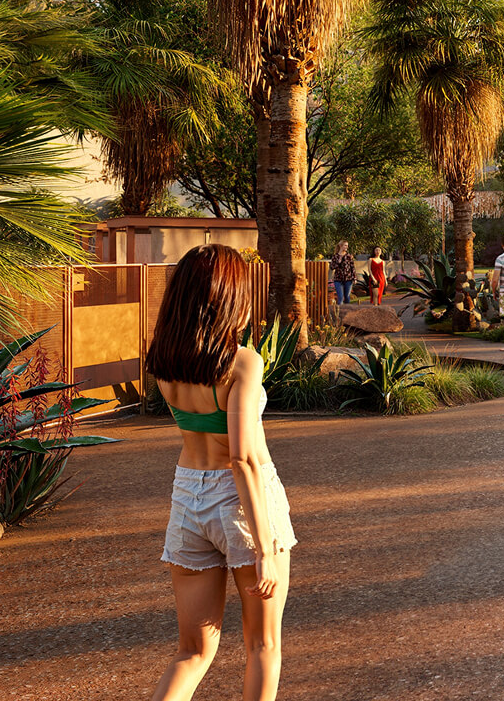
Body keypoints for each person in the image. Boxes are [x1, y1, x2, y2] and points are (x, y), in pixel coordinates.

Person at [145, 243, 295, 701]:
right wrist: (265, 545)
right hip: (242, 502)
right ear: (229, 295)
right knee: (263, 645)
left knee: (191, 652)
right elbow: (243, 457)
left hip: (188, 495)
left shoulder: (164, 360)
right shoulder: (242, 361)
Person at [329, 241, 355, 308]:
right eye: (345, 245)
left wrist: (354, 278)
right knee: (340, 297)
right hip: (338, 279)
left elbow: (352, 267)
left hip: (348, 279)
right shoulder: (335, 256)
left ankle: (347, 312)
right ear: (341, 246)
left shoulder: (349, 256)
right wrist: (338, 262)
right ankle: (339, 313)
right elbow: (332, 267)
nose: (347, 247)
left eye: (347, 245)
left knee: (347, 296)